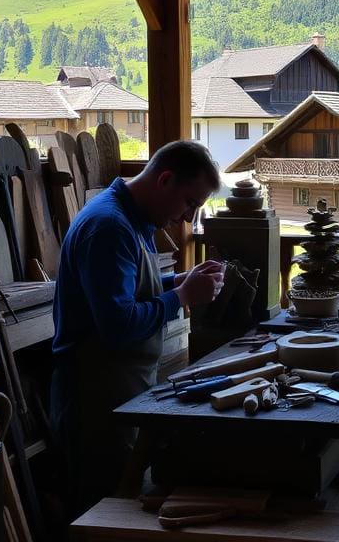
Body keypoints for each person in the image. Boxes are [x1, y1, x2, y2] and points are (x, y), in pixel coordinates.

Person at [50, 140, 225, 517]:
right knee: (101, 512)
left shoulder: (137, 219)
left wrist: (181, 280)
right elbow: (118, 325)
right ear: (165, 180)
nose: (186, 218)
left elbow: (131, 290)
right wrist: (181, 297)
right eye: (190, 203)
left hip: (121, 387)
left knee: (123, 501)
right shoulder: (109, 227)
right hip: (93, 396)